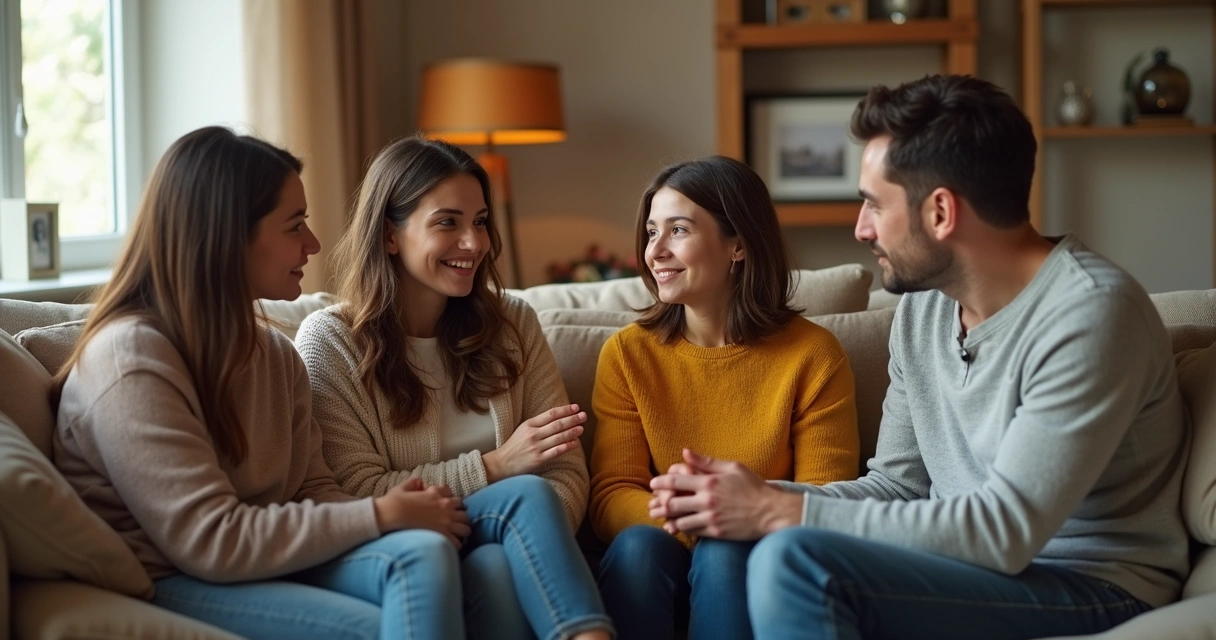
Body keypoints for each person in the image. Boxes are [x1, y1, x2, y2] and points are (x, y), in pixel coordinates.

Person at [648, 75, 1190, 639]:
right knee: (733, 539)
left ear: (940, 212)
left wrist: (776, 511)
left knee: (795, 559)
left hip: (1089, 583)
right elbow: (897, 487)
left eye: (873, 204)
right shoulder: (925, 308)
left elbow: (1004, 532)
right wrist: (749, 499)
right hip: (965, 571)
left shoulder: (1090, 314)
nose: (861, 228)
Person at [52, 126, 471, 639]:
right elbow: (210, 540)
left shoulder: (274, 354)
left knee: (431, 551)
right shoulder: (130, 359)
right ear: (227, 236)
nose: (314, 244)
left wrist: (393, 508)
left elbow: (313, 489)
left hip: (265, 558)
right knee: (370, 623)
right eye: (295, 226)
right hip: (164, 575)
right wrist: (380, 515)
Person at [295, 134, 612, 640]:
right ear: (390, 235)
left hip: (509, 544)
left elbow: (565, 473)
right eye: (448, 222)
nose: (474, 243)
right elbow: (353, 490)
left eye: (480, 221)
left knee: (497, 564)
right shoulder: (331, 341)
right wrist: (496, 467)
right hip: (403, 551)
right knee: (520, 500)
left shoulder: (513, 324)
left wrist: (507, 535)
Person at [589, 155, 861, 640]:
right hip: (659, 549)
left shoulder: (813, 355)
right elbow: (612, 495)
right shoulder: (628, 355)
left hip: (759, 558)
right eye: (651, 232)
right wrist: (699, 518)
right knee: (637, 548)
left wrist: (735, 519)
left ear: (738, 244)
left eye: (678, 230)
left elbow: (825, 498)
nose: (655, 252)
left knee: (725, 550)